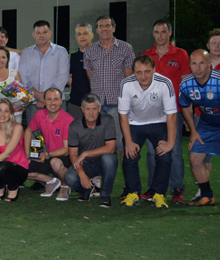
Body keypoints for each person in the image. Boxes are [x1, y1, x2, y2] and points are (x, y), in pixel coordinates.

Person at [179, 50, 220, 216]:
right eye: (194, 63)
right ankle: (207, 195)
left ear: (209, 64)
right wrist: (193, 131)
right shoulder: (186, 83)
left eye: (202, 63)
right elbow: (185, 106)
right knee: (194, 156)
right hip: (208, 123)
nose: (198, 67)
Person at [140, 19, 190, 204]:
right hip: (151, 113)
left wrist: (184, 113)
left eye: (163, 32)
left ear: (170, 33)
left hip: (172, 112)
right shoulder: (146, 55)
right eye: (156, 32)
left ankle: (177, 188)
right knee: (153, 152)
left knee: (174, 151)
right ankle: (154, 188)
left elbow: (185, 84)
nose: (160, 35)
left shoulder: (181, 54)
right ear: (153, 34)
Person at [118, 56, 177, 209]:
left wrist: (170, 143)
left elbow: (171, 115)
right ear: (133, 72)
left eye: (147, 72)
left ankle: (158, 194)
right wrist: (129, 141)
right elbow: (123, 115)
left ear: (154, 70)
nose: (143, 76)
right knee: (129, 155)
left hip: (159, 122)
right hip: (134, 123)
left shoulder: (165, 83)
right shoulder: (126, 84)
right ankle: (133, 192)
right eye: (139, 72)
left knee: (165, 157)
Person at [83, 15, 135, 156]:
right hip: (97, 106)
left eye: (107, 25)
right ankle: (98, 177)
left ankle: (127, 175)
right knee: (99, 144)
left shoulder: (126, 48)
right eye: (101, 26)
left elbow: (129, 78)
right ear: (97, 30)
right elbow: (90, 76)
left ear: (113, 28)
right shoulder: (89, 51)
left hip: (118, 104)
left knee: (121, 143)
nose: (104, 28)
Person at [64, 93, 118, 208]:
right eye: (88, 109)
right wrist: (82, 174)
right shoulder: (74, 126)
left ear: (99, 108)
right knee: (69, 177)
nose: (91, 113)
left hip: (103, 160)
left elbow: (111, 148)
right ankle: (86, 191)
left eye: (94, 109)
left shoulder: (107, 120)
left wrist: (85, 153)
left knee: (109, 159)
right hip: (85, 163)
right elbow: (72, 154)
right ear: (82, 109)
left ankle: (105, 196)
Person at [23, 88, 75, 201]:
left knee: (55, 162)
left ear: (61, 101)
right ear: (44, 102)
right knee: (22, 167)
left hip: (66, 158)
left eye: (56, 99)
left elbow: (66, 149)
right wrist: (27, 154)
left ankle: (65, 186)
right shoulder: (40, 114)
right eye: (49, 99)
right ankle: (51, 181)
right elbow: (28, 131)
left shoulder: (68, 119)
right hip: (48, 156)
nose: (53, 103)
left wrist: (47, 154)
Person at [18, 20, 70, 125]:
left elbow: (63, 77)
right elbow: (23, 78)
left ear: (50, 33)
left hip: (57, 103)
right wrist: (38, 95)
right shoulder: (26, 53)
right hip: (33, 103)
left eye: (45, 32)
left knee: (58, 137)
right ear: (34, 35)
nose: (42, 35)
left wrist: (47, 98)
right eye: (38, 33)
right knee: (34, 138)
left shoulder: (61, 51)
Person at [0, 46, 23, 122]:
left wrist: (20, 107)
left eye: (3, 57)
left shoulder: (15, 74)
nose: (1, 60)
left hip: (15, 116)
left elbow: (23, 96)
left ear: (7, 59)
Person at [67, 23, 94, 120]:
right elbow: (69, 77)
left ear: (92, 35)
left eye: (85, 33)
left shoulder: (99, 54)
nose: (82, 36)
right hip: (75, 103)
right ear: (76, 37)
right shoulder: (72, 56)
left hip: (94, 103)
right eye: (79, 34)